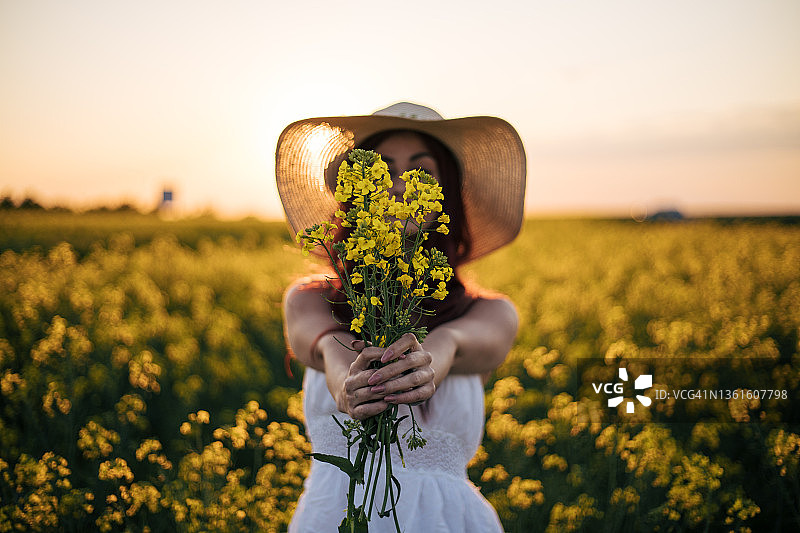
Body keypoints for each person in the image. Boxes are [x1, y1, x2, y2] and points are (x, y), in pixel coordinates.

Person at [277, 102, 526, 532]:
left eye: (421, 172)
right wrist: (347, 382)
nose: (399, 186)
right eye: (382, 172)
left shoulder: (488, 312)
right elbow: (325, 348)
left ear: (445, 192)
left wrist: (435, 354)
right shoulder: (310, 299)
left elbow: (462, 342)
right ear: (356, 194)